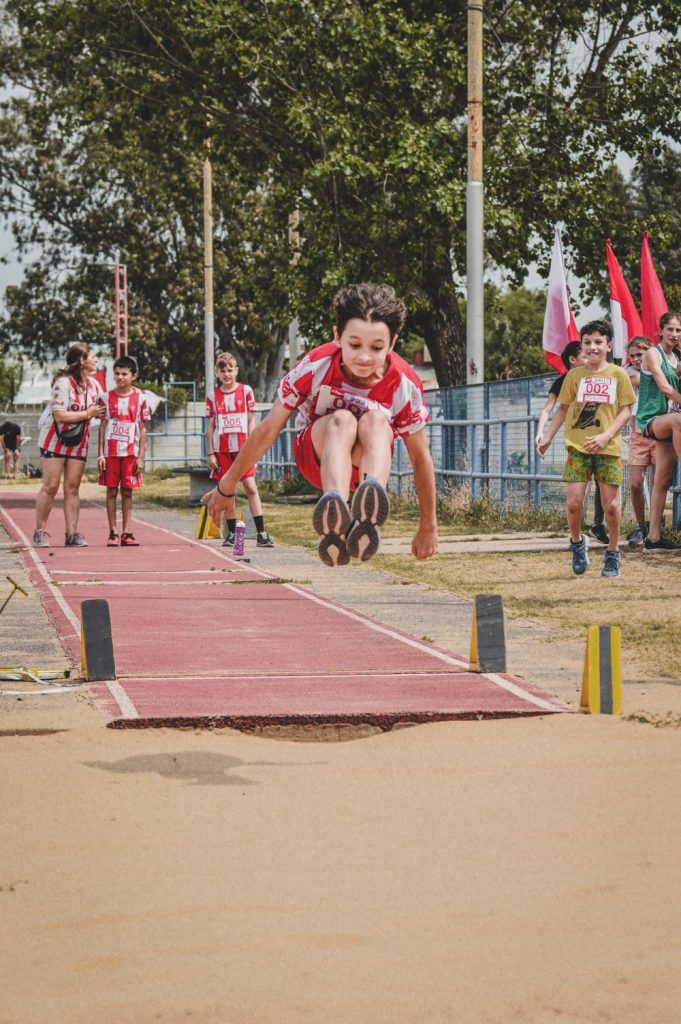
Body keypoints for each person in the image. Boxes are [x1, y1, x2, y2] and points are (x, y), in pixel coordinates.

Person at [203, 283, 438, 566]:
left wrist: (428, 527)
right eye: (354, 345)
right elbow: (267, 429)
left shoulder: (404, 383)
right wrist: (226, 487)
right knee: (342, 419)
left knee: (376, 420)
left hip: (364, 461)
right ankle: (334, 514)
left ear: (393, 343)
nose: (364, 358)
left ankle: (369, 515)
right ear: (337, 335)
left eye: (376, 348)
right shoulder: (316, 365)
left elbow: (420, 457)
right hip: (316, 455)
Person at [536, 319, 635, 577]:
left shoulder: (618, 374)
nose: (593, 347)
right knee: (573, 504)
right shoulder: (574, 376)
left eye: (598, 342)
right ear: (581, 346)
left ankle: (613, 553)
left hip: (608, 448)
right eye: (587, 342)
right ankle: (578, 543)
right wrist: (547, 437)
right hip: (578, 447)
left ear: (609, 345)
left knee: (611, 506)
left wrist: (606, 435)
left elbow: (626, 410)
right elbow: (564, 408)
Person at [535, 341, 608, 544]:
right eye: (584, 355)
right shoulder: (564, 381)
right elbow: (550, 409)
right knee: (576, 497)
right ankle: (577, 536)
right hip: (577, 442)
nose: (589, 356)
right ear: (572, 360)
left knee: (605, 488)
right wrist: (542, 433)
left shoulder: (603, 376)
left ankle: (598, 525)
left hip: (602, 439)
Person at [33, 343, 104, 548]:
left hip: (78, 441)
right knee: (51, 485)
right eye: (93, 356)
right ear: (81, 360)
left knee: (72, 487)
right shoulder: (63, 384)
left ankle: (71, 533)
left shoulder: (94, 386)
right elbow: (60, 415)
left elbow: (103, 409)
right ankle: (40, 531)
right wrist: (87, 414)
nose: (96, 360)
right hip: (54, 439)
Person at [205, 352, 273, 548]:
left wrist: (254, 447)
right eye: (223, 370)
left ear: (236, 370)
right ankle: (232, 533)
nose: (227, 374)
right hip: (223, 450)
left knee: (251, 487)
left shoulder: (245, 391)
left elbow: (252, 420)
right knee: (228, 491)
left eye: (230, 370)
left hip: (243, 449)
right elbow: (210, 426)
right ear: (217, 372)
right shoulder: (213, 396)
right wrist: (211, 453)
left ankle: (261, 532)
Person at [635, 310, 681, 550]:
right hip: (651, 420)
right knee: (678, 420)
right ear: (660, 330)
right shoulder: (653, 353)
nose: (674, 334)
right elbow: (664, 387)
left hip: (670, 421)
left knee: (662, 480)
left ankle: (653, 538)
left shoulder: (677, 359)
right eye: (670, 329)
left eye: (679, 330)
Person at [97, 355, 151, 547]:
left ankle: (127, 532)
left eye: (124, 374)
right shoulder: (105, 398)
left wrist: (141, 457)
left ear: (133, 376)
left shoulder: (141, 399)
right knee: (111, 491)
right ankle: (113, 532)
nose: (120, 377)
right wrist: (101, 454)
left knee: (127, 492)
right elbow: (102, 427)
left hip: (130, 453)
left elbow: (143, 429)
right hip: (111, 453)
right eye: (117, 374)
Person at [623, 337, 656, 545]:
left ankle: (655, 527)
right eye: (633, 355)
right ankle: (641, 526)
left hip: (660, 431)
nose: (635, 359)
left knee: (658, 484)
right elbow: (639, 381)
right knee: (636, 483)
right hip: (639, 433)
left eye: (639, 355)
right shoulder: (629, 372)